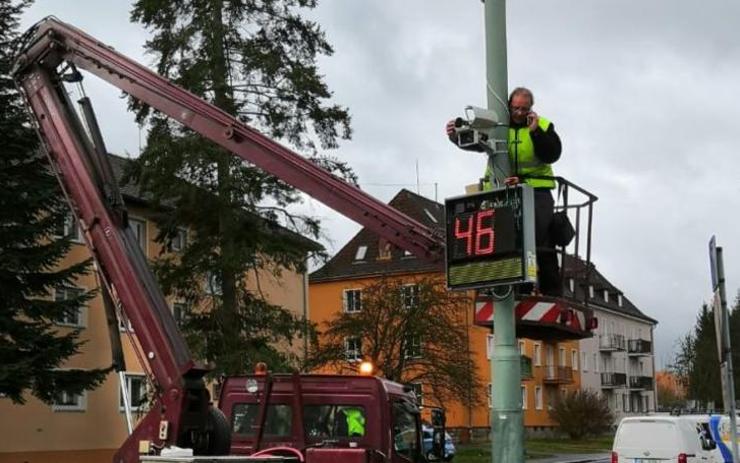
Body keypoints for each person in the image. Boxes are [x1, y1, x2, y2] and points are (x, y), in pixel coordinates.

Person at [447, 87, 563, 296]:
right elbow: (477, 143)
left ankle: (545, 290)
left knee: (538, 239)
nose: (519, 113)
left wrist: (535, 131)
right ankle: (508, 286)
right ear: (509, 106)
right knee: (505, 241)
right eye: (515, 108)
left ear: (531, 109)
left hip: (536, 191)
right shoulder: (497, 126)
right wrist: (455, 137)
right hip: (501, 190)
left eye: (524, 109)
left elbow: (552, 154)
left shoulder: (543, 125)